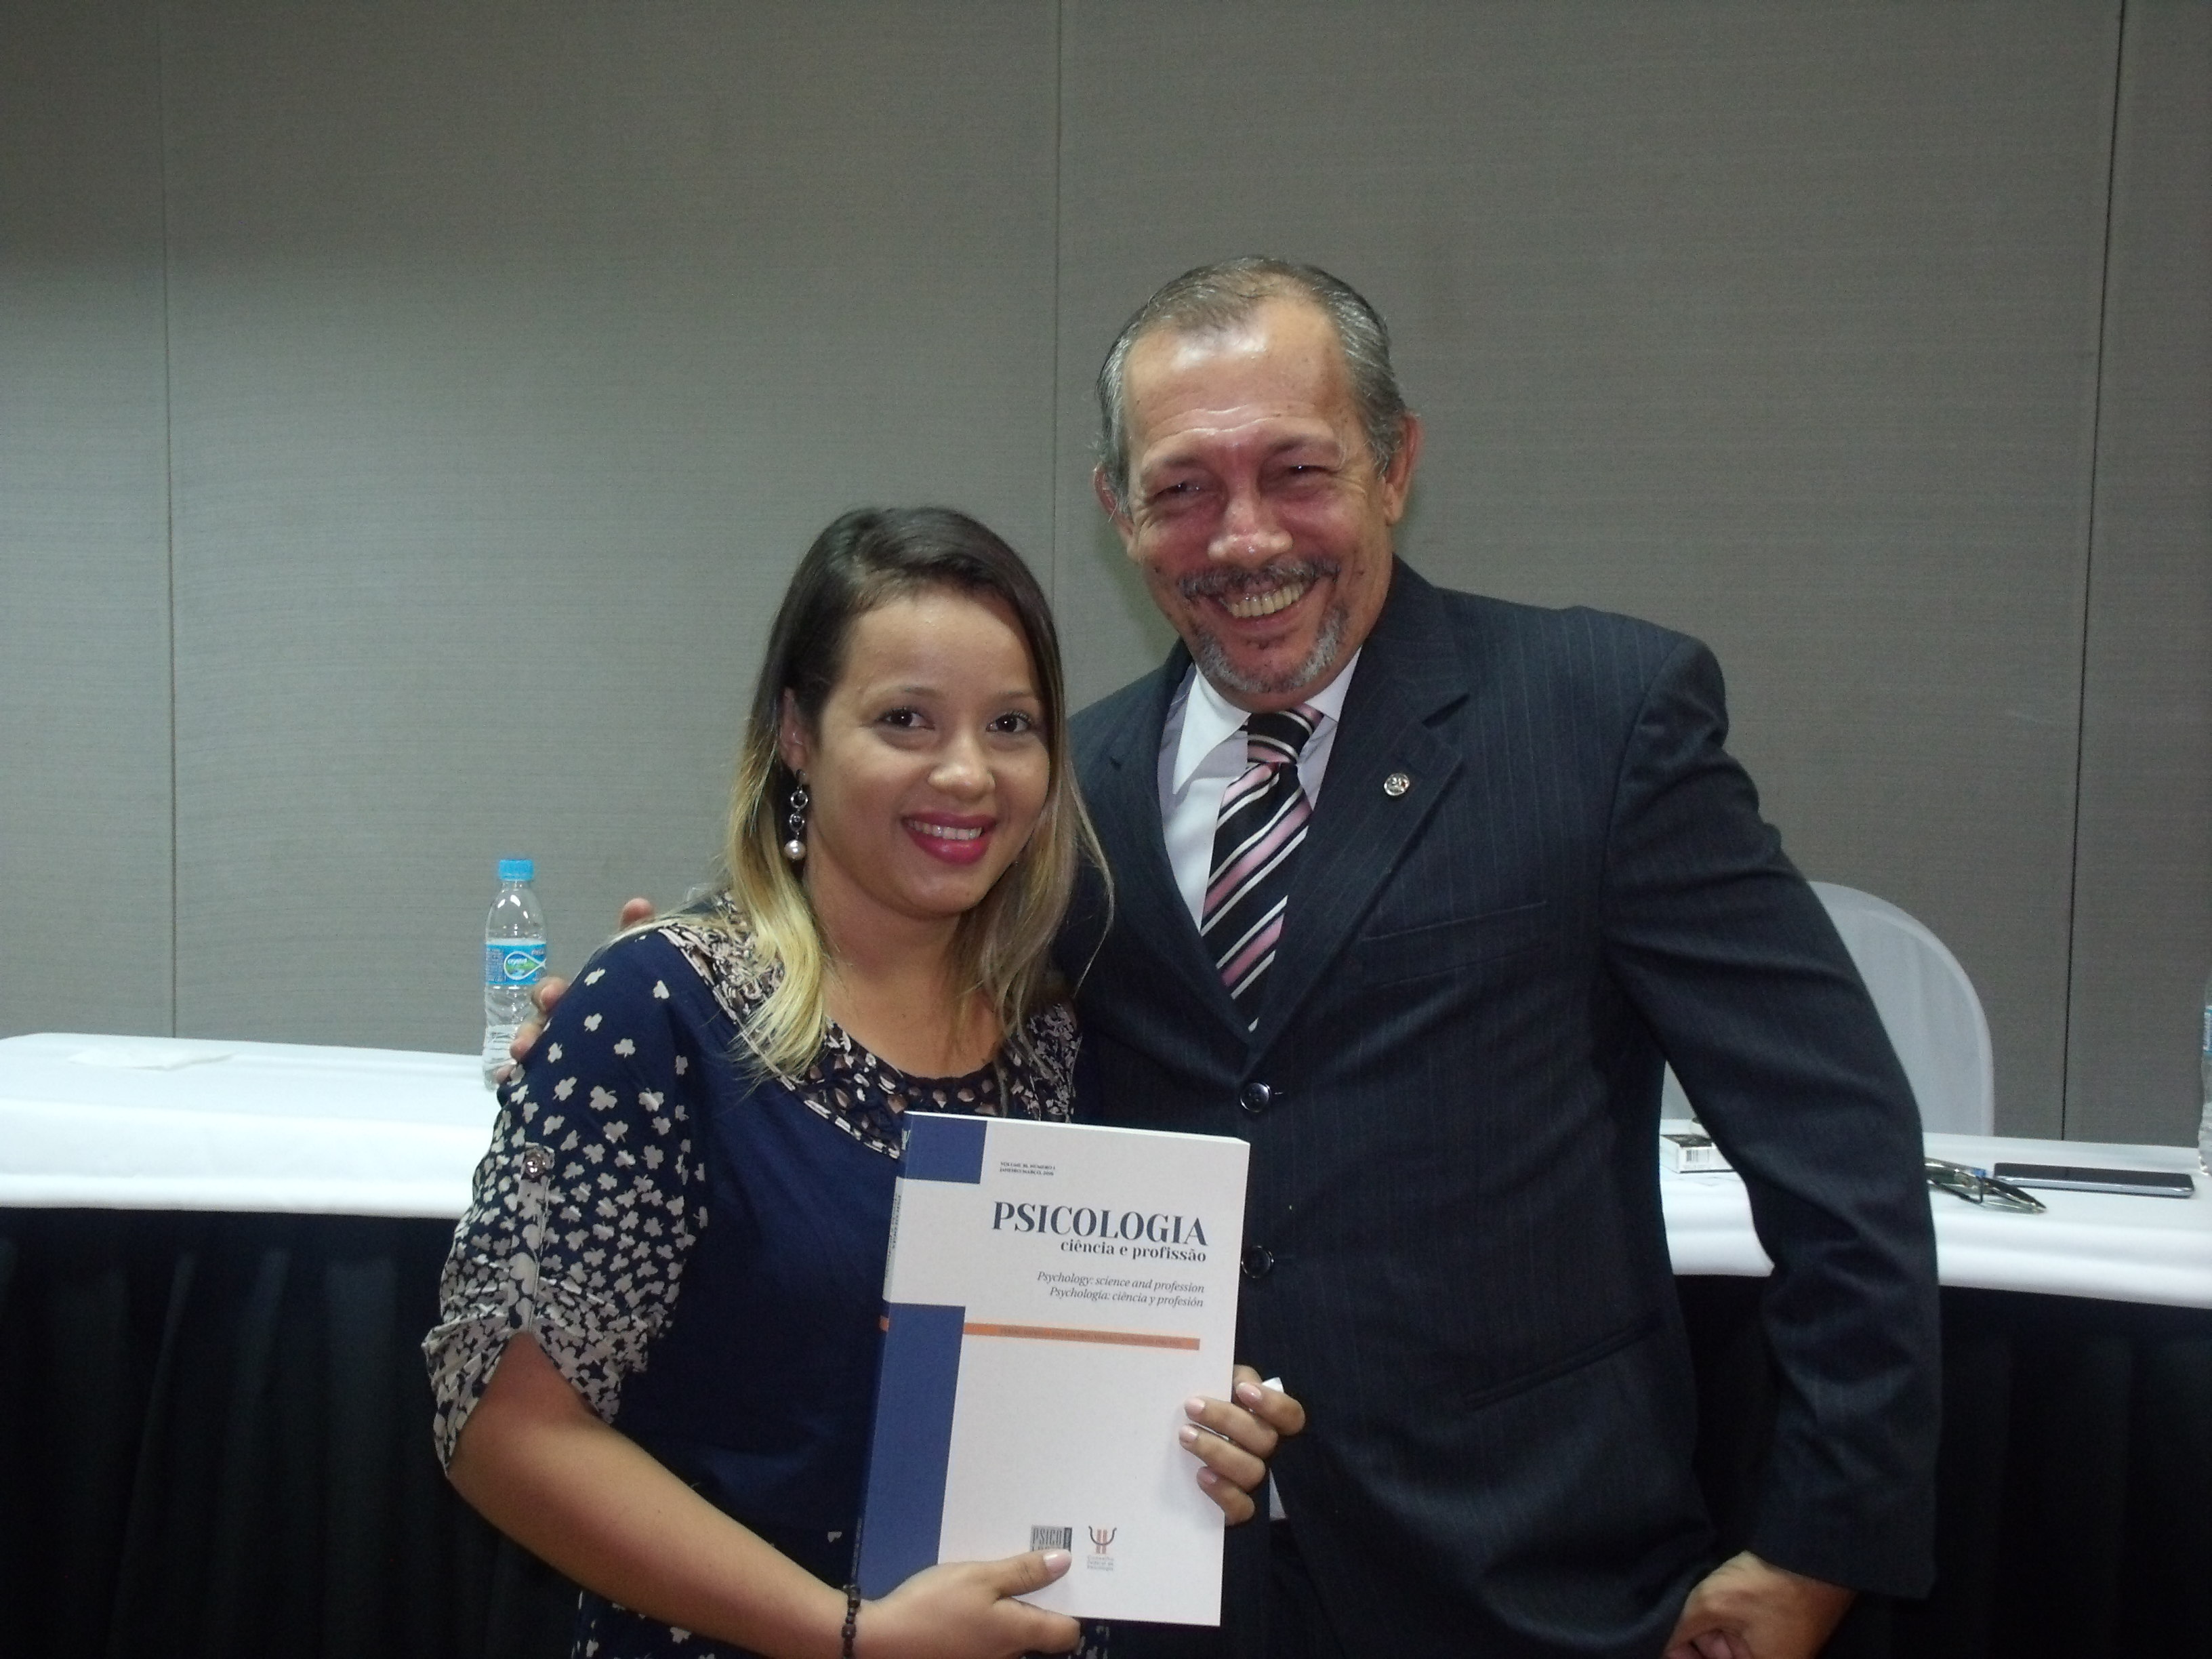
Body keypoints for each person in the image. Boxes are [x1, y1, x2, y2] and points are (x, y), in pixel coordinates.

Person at [1056, 260, 1940, 1659]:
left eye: (1298, 471)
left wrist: (1821, 1544)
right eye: (1182, 489)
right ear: (1118, 511)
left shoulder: (1601, 721)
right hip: (1168, 1590)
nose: (1244, 537)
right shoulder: (1064, 789)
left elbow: (1838, 1149)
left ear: (1396, 463)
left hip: (1525, 1582)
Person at [429, 506, 1301, 1659]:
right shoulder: (662, 1013)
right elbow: (504, 1432)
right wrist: (852, 1636)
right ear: (798, 734)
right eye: (904, 720)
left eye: (1011, 725)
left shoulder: (1058, 1042)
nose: (967, 772)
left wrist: (1184, 1432)